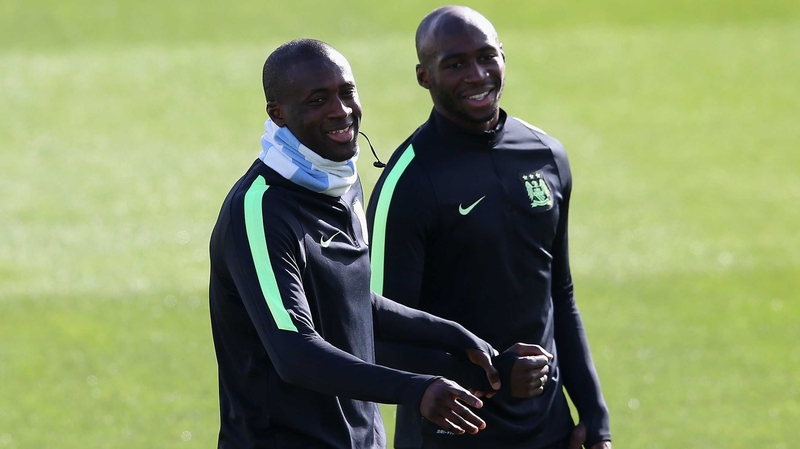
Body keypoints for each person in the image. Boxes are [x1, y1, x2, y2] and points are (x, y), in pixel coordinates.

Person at [208, 38, 504, 449]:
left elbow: (351, 300)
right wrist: (414, 390)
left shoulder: (341, 183)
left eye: (346, 92)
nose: (341, 110)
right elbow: (294, 351)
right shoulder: (259, 210)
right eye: (317, 100)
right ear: (278, 114)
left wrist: (454, 336)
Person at [366, 6, 611, 449]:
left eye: (486, 57)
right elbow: (375, 335)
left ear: (503, 56)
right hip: (451, 435)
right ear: (424, 76)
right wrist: (493, 368)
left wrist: (594, 416)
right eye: (455, 64)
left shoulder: (546, 155)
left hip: (548, 429)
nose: (477, 75)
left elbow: (560, 293)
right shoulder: (408, 184)